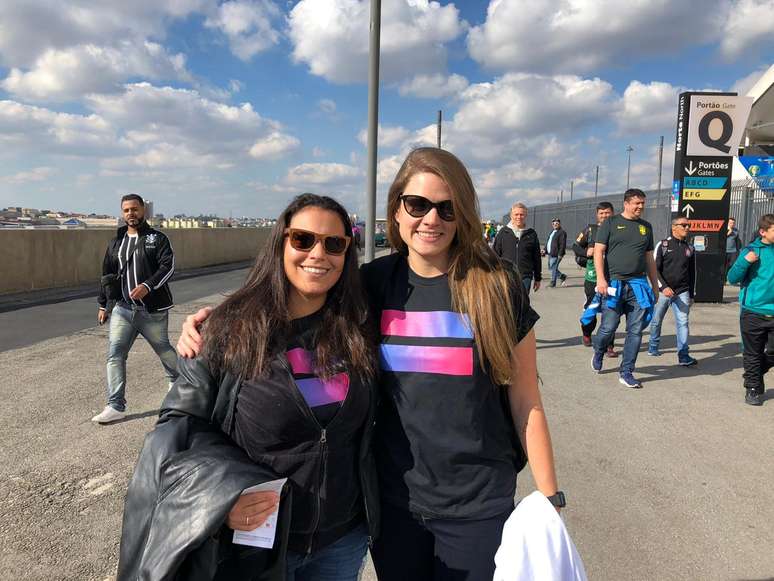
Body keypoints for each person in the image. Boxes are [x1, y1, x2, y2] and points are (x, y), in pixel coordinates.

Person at [178, 148, 562, 580]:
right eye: (417, 205)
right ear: (397, 210)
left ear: (463, 215)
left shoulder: (497, 286)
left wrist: (550, 499)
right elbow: (302, 296)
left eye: (446, 208)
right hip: (394, 504)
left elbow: (527, 399)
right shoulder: (373, 283)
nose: (431, 219)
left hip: (478, 505)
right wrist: (219, 318)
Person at [121, 194, 380, 579]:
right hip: (256, 546)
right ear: (281, 244)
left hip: (341, 541)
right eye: (303, 240)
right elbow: (178, 425)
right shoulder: (230, 328)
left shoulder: (358, 327)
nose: (318, 253)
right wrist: (222, 500)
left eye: (334, 243)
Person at [92, 194, 178, 424]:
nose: (131, 213)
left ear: (143, 211)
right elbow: (107, 275)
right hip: (123, 309)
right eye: (126, 210)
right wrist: (103, 304)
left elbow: (168, 267)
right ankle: (115, 405)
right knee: (115, 355)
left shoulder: (157, 238)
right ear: (123, 213)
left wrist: (147, 286)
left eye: (135, 209)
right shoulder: (116, 242)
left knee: (163, 348)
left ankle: (178, 381)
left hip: (152, 310)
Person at [591, 189, 659, 389]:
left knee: (635, 331)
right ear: (626, 203)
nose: (640, 207)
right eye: (637, 203)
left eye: (643, 203)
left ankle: (627, 371)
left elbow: (649, 259)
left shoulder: (646, 227)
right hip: (614, 285)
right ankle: (599, 350)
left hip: (638, 286)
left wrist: (655, 286)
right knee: (608, 328)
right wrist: (601, 279)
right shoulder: (610, 223)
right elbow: (598, 251)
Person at [727, 214, 774, 406]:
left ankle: (753, 374)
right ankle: (752, 388)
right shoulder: (751, 250)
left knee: (772, 352)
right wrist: (745, 261)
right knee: (752, 353)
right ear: (763, 232)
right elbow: (732, 277)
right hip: (753, 311)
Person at [647, 217, 698, 366]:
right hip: (664, 292)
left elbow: (692, 273)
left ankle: (683, 356)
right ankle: (653, 346)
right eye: (684, 225)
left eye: (689, 225)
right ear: (674, 227)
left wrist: (691, 294)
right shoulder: (663, 245)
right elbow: (654, 269)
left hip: (682, 292)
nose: (687, 228)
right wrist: (663, 288)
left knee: (683, 322)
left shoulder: (690, 248)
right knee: (656, 320)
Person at [573, 202, 616, 356]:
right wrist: (586, 252)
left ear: (613, 213)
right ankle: (587, 333)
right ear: (597, 215)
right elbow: (575, 246)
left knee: (611, 311)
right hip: (592, 278)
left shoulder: (617, 229)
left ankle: (608, 346)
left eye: (607, 213)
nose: (605, 216)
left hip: (613, 277)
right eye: (602, 213)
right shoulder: (590, 230)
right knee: (591, 309)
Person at [493, 202, 542, 294]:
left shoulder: (531, 234)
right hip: (506, 276)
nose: (519, 217)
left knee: (523, 304)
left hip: (525, 276)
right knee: (508, 304)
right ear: (511, 216)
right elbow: (495, 255)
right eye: (516, 214)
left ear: (526, 215)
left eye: (522, 214)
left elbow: (536, 257)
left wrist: (538, 278)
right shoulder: (503, 233)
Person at [546, 218, 567, 287]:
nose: (555, 225)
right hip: (550, 253)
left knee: (554, 267)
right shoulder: (552, 232)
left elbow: (562, 244)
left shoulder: (562, 232)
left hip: (556, 254)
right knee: (551, 267)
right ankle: (562, 276)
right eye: (554, 224)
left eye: (557, 223)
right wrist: (544, 250)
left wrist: (560, 254)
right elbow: (548, 242)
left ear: (559, 224)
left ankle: (553, 282)